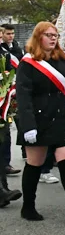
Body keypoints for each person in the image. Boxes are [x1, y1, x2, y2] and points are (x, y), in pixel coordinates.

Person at [15, 22, 65, 224]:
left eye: (56, 35)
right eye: (49, 35)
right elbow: (24, 97)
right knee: (35, 164)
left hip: (62, 117)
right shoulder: (27, 63)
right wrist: (28, 125)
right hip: (39, 118)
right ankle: (28, 206)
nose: (53, 39)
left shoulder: (62, 59)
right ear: (38, 37)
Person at [0, 23, 23, 176]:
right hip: (4, 95)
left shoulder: (13, 49)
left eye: (12, 33)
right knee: (4, 131)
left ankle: (6, 163)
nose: (10, 36)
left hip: (12, 94)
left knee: (15, 125)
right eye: (7, 33)